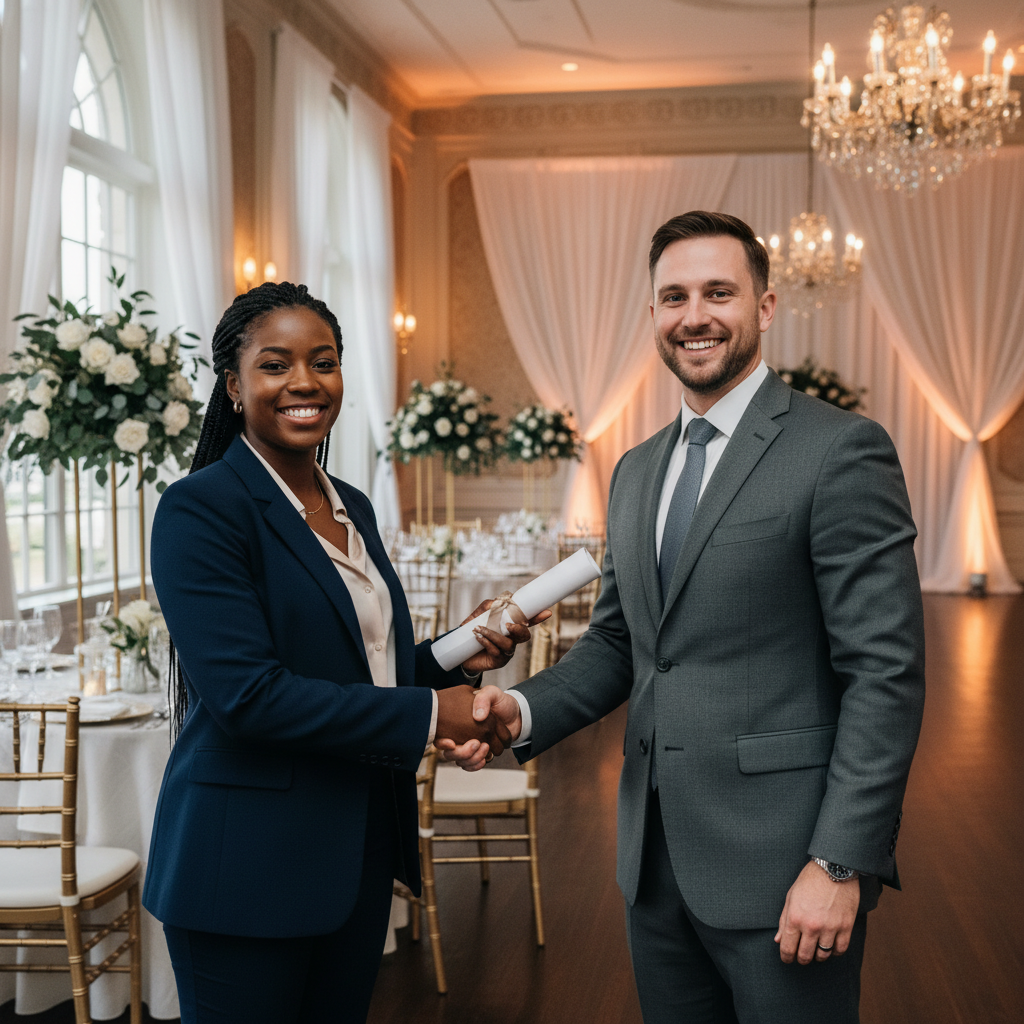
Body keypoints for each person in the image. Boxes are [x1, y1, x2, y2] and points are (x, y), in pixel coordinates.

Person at [444, 211, 926, 1023]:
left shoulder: (841, 450)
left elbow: (885, 675)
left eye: (718, 292)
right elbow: (620, 646)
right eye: (673, 296)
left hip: (787, 869)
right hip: (653, 869)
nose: (694, 316)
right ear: (655, 314)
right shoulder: (635, 470)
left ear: (764, 308)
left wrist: (839, 864)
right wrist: (517, 711)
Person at [143, 282, 544, 1024]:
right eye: (275, 365)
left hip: (353, 854)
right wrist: (432, 713)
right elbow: (249, 698)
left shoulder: (351, 504)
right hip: (245, 870)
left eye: (322, 362)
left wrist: (458, 657)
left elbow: (367, 672)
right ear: (233, 385)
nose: (304, 382)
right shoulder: (200, 509)